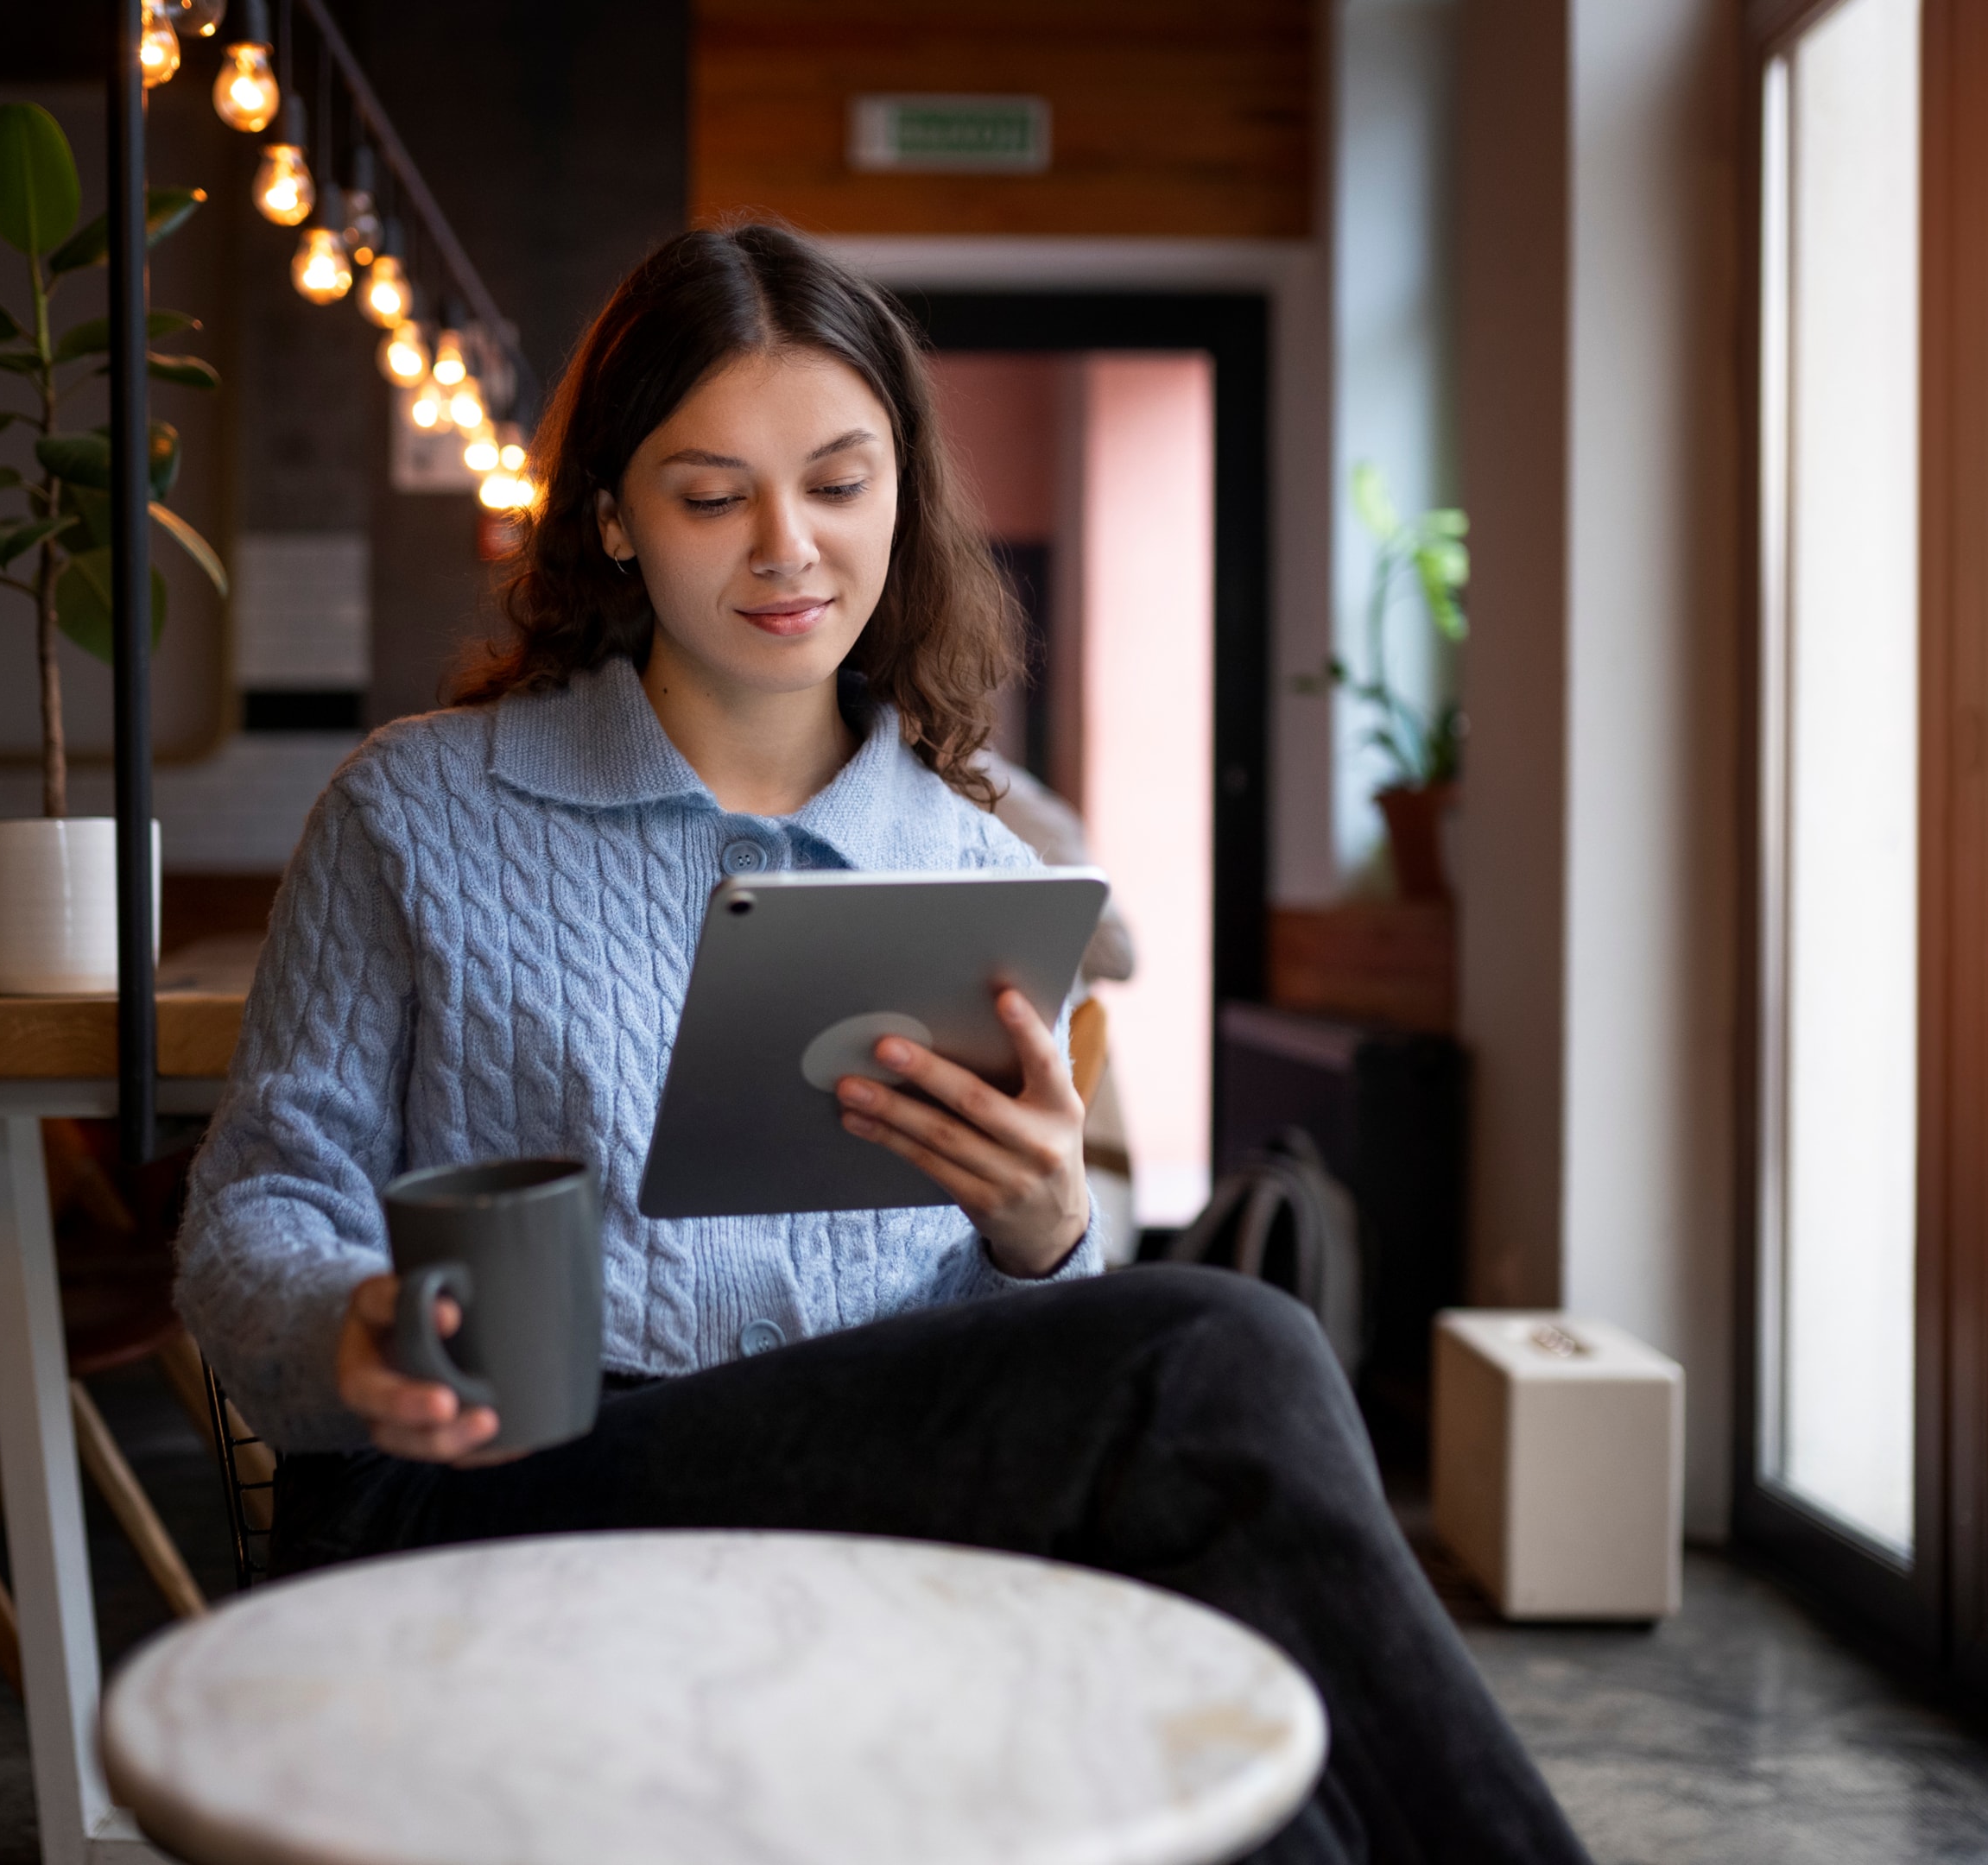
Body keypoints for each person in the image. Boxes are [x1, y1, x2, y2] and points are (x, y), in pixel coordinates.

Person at [176, 224, 1587, 1865]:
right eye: (712, 497)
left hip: (850, 1493)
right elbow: (253, 1208)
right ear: (615, 520)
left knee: (1270, 1807)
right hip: (498, 1479)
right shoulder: (419, 809)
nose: (789, 548)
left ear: (903, 494)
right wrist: (355, 1330)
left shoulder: (978, 877)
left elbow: (1002, 1344)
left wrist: (1050, 1234)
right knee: (1227, 1359)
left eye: (838, 484)